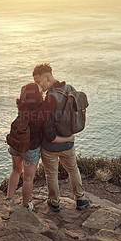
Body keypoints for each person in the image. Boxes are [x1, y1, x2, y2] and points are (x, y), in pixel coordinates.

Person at [6, 82, 73, 211]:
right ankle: (25, 205)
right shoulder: (41, 109)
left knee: (15, 170)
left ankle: (8, 198)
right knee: (28, 178)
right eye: (39, 88)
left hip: (16, 141)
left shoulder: (22, 104)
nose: (41, 88)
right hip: (31, 147)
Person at [33, 63, 89, 212]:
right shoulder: (70, 89)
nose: (39, 86)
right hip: (68, 143)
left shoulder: (49, 99)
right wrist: (69, 138)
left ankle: (55, 202)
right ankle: (81, 199)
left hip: (51, 147)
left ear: (46, 77)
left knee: (51, 174)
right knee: (73, 170)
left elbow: (49, 134)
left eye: (39, 82)